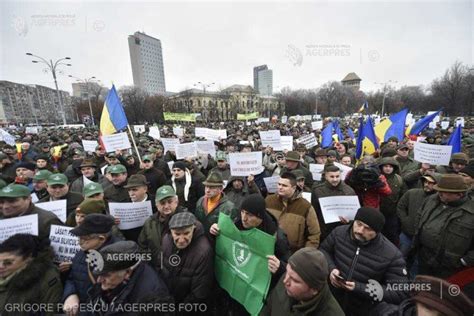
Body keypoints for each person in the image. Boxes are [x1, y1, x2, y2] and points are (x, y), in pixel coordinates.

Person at [320, 207, 409, 315]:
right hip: (330, 304)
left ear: (377, 232)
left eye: (368, 228)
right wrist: (331, 268)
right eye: (358, 223)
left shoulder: (392, 255)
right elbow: (324, 250)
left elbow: (400, 292)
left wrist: (359, 288)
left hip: (363, 310)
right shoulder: (339, 233)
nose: (360, 231)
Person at [411, 174, 474, 279]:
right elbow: (419, 215)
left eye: (443, 192)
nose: (438, 193)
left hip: (449, 268)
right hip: (423, 257)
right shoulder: (431, 200)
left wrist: (464, 261)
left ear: (459, 194)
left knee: (439, 293)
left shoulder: (471, 213)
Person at [86, 241, 170, 315]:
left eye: (106, 275)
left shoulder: (153, 299)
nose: (99, 280)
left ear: (127, 272)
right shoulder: (114, 282)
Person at [63, 214, 120, 314]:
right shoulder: (83, 252)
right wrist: (70, 295)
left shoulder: (118, 260)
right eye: (79, 237)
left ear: (101, 239)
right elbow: (72, 278)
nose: (79, 242)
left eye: (84, 238)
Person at [261, 247, 344, 316]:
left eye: (295, 280)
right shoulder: (285, 281)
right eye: (287, 272)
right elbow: (269, 307)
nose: (285, 281)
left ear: (314, 289)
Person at [160, 212, 214, 311]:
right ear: (170, 231)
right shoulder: (166, 240)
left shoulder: (204, 252)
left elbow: (199, 292)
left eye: (186, 233)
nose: (181, 240)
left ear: (193, 229)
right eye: (177, 234)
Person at [0, 234, 63, 316]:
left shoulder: (47, 278)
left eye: (8, 263)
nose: (1, 267)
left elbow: (51, 311)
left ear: (28, 258)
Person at [265, 172, 321, 253]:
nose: (280, 187)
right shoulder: (269, 201)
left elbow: (314, 234)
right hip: (270, 249)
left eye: (284, 186)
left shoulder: (305, 206)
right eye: (279, 184)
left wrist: (305, 254)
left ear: (294, 188)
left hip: (294, 254)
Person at [138, 185, 188, 268]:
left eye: (169, 202)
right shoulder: (150, 223)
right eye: (162, 203)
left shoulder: (186, 219)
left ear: (176, 202)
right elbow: (142, 246)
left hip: (179, 269)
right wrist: (151, 263)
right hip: (157, 269)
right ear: (157, 205)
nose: (166, 206)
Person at [397, 174, 440, 258]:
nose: (426, 184)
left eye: (431, 183)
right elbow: (400, 207)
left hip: (424, 240)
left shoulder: (439, 200)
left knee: (418, 262)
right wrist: (406, 220)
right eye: (425, 182)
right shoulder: (411, 193)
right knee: (400, 257)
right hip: (407, 234)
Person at [312, 164, 356, 241]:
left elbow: (354, 214)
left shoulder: (349, 191)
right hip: (324, 230)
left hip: (342, 230)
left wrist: (349, 221)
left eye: (337, 176)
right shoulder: (317, 191)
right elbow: (314, 212)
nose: (335, 179)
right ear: (326, 176)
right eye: (332, 177)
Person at [195, 172, 238, 236]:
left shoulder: (229, 207)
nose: (207, 190)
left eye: (212, 187)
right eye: (206, 186)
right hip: (201, 239)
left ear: (220, 189)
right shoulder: (201, 200)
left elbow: (230, 231)